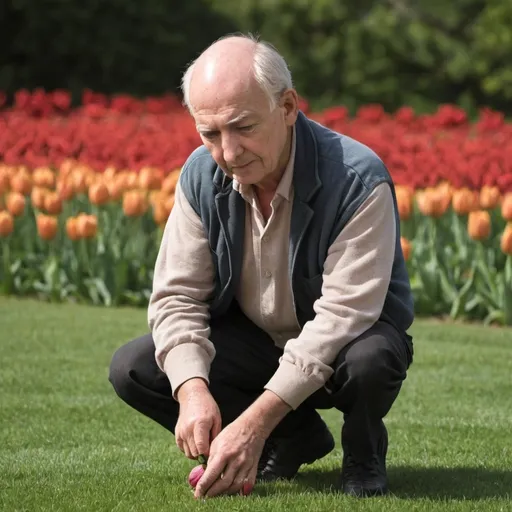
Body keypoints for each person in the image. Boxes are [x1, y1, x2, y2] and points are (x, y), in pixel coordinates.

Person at [108, 32, 415, 500]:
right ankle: (294, 436)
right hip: (255, 343)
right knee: (134, 367)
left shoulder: (357, 179)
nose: (228, 153)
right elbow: (177, 297)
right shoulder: (199, 176)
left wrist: (251, 424)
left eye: (243, 127)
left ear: (288, 107)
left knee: (370, 358)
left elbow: (342, 319)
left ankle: (364, 450)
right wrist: (192, 393)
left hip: (343, 349)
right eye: (210, 134)